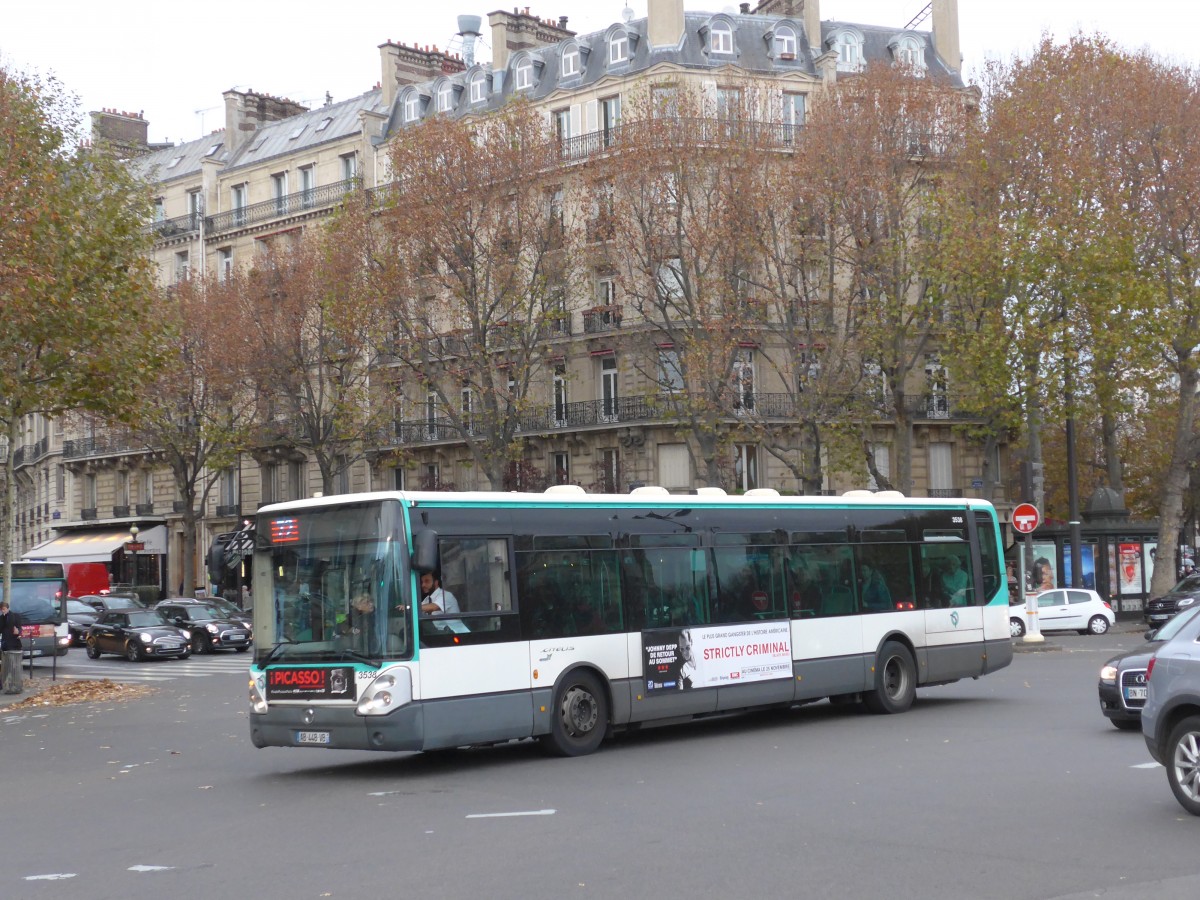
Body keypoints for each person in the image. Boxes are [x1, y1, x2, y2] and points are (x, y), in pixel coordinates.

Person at [0, 600, 24, 695]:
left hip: (14, 642)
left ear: (8, 608)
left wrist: (19, 632)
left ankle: (14, 683)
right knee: (5, 664)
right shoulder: (1, 618)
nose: (3, 611)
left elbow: (19, 627)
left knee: (14, 664)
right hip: (5, 643)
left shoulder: (15, 616)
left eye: (4, 609)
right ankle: (6, 684)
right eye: (1, 610)